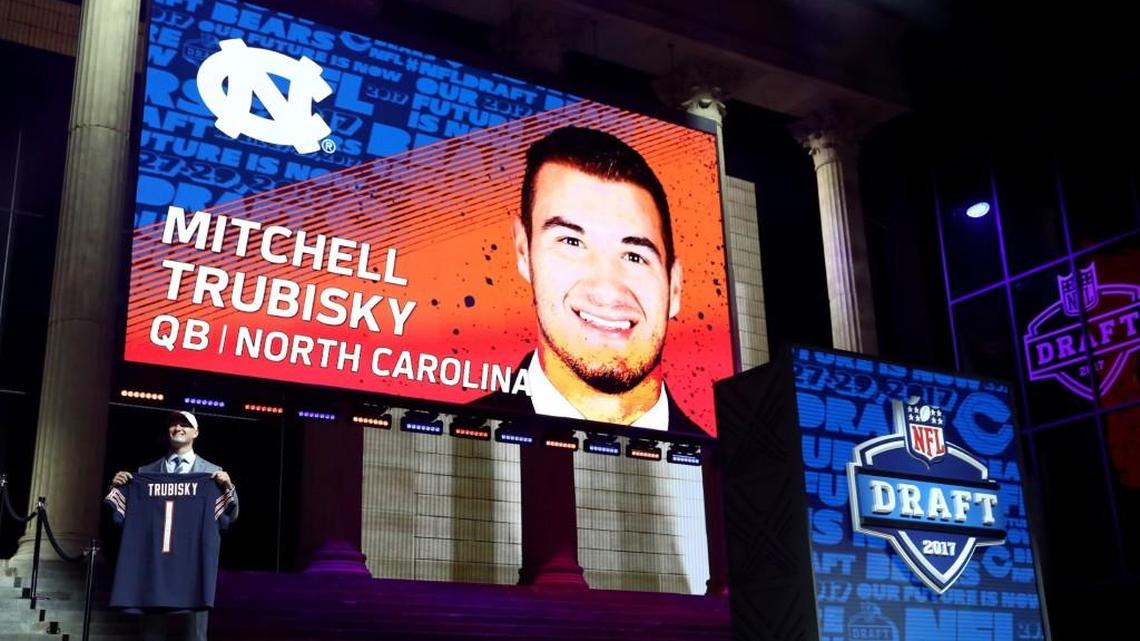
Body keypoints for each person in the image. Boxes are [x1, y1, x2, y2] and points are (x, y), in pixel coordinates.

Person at [483, 126, 701, 435]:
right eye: (571, 242)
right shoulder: (453, 448)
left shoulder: (735, 475)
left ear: (675, 286)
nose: (606, 289)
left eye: (634, 256)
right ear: (523, 250)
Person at [107, 410, 238, 641]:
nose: (178, 428)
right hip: (154, 567)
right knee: (151, 634)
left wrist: (229, 489)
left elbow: (229, 517)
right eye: (173, 424)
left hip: (193, 566)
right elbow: (122, 518)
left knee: (195, 636)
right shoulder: (145, 474)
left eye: (184, 424)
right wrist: (120, 488)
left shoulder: (211, 473)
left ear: (196, 432)